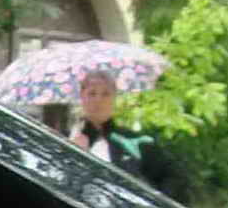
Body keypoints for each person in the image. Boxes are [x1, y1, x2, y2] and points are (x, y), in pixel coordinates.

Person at [69, 68, 181, 197]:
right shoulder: (67, 139)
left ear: (114, 98)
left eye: (106, 94)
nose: (98, 100)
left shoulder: (136, 141)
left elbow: (172, 179)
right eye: (92, 93)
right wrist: (74, 155)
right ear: (82, 97)